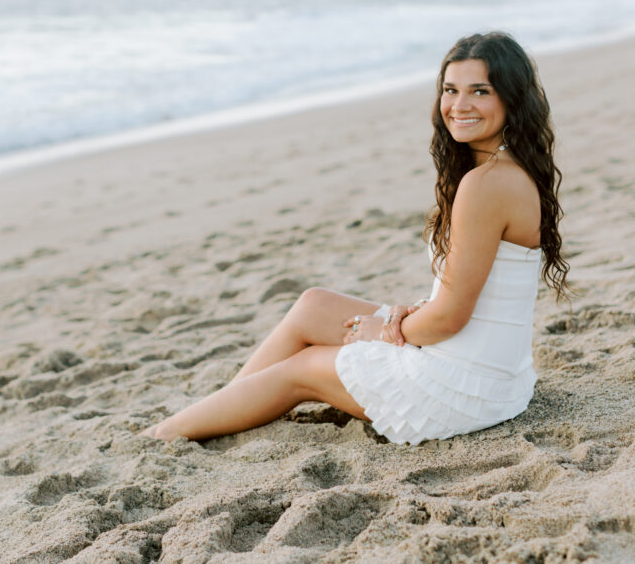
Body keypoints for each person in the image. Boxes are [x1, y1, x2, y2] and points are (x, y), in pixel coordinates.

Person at [141, 31, 569, 444]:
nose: (459, 105)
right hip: (493, 374)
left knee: (302, 368)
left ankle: (163, 434)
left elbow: (450, 318)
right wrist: (402, 318)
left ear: (511, 99)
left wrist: (383, 329)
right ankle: (217, 408)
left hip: (465, 388)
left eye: (480, 91)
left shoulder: (485, 185)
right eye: (450, 90)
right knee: (315, 305)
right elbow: (474, 295)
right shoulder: (504, 170)